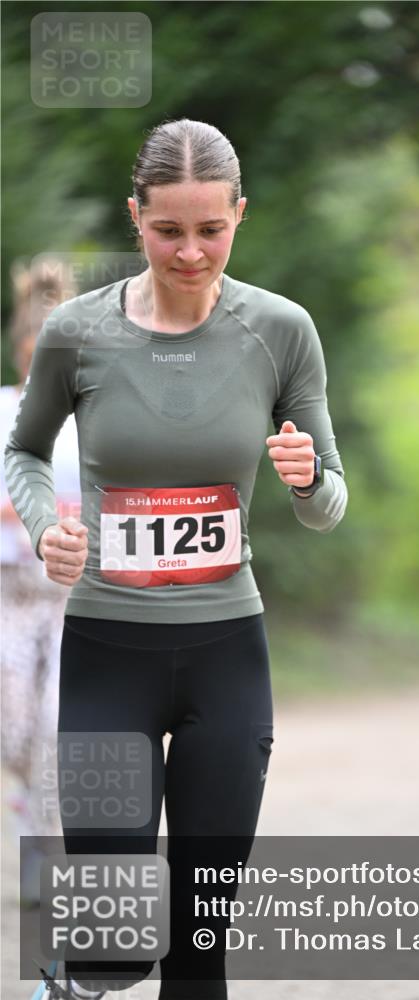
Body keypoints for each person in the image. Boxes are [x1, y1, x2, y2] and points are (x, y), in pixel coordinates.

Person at [5, 118, 347, 1000]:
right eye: (167, 230)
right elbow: (26, 452)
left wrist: (308, 481)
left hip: (227, 656)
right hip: (107, 657)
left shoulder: (281, 329)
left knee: (200, 946)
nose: (189, 251)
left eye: (210, 228)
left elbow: (328, 504)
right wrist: (49, 527)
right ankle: (73, 982)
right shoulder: (78, 332)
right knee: (114, 946)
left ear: (239, 215)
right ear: (135, 218)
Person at [1, 258, 80, 902]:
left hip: (72, 598)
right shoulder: (3, 413)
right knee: (12, 727)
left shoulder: (91, 423)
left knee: (59, 724)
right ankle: (32, 815)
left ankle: (49, 848)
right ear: (24, 352)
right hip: (9, 595)